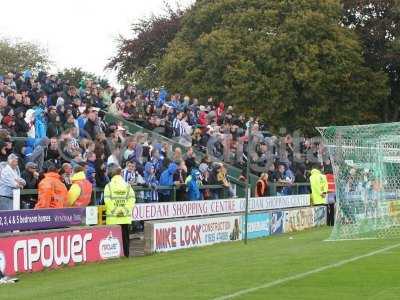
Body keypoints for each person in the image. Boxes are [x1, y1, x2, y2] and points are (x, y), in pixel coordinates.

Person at [104, 164, 135, 257]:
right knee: (125, 238)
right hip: (125, 218)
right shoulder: (128, 186)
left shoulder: (108, 186)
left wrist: (116, 211)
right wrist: (124, 211)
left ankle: (114, 256)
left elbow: (107, 201)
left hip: (113, 218)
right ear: (120, 174)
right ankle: (126, 255)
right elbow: (132, 199)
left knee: (113, 240)